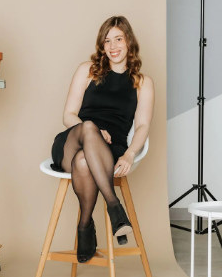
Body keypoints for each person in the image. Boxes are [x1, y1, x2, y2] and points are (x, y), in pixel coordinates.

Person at [50, 16, 154, 263]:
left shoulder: (143, 83)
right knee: (87, 127)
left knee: (86, 161)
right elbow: (68, 115)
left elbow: (142, 126)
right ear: (102, 45)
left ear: (129, 41)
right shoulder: (87, 70)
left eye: (118, 39)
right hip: (71, 143)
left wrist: (129, 154)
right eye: (107, 41)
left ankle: (85, 225)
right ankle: (114, 207)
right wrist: (93, 131)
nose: (113, 46)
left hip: (109, 151)